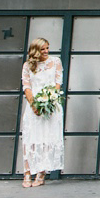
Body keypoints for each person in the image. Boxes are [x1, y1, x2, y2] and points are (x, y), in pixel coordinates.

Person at [20, 38, 64, 188]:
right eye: (43, 49)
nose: (46, 51)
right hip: (34, 104)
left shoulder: (56, 62)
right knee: (30, 138)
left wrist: (50, 100)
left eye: (47, 48)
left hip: (51, 104)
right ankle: (27, 173)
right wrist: (34, 105)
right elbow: (26, 86)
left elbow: (58, 83)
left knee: (47, 138)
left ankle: (41, 173)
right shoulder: (27, 65)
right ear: (35, 51)